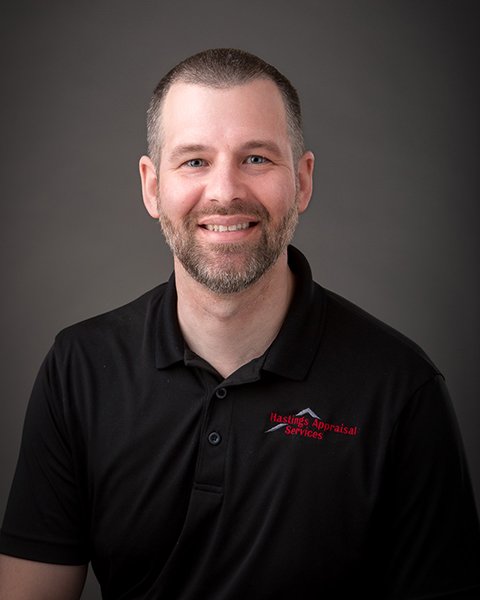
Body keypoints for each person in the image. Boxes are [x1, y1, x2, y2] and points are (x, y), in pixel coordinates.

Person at [0, 48, 479, 600]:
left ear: (302, 180)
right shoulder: (78, 368)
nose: (225, 192)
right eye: (194, 161)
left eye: (256, 158)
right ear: (152, 186)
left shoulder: (400, 387)